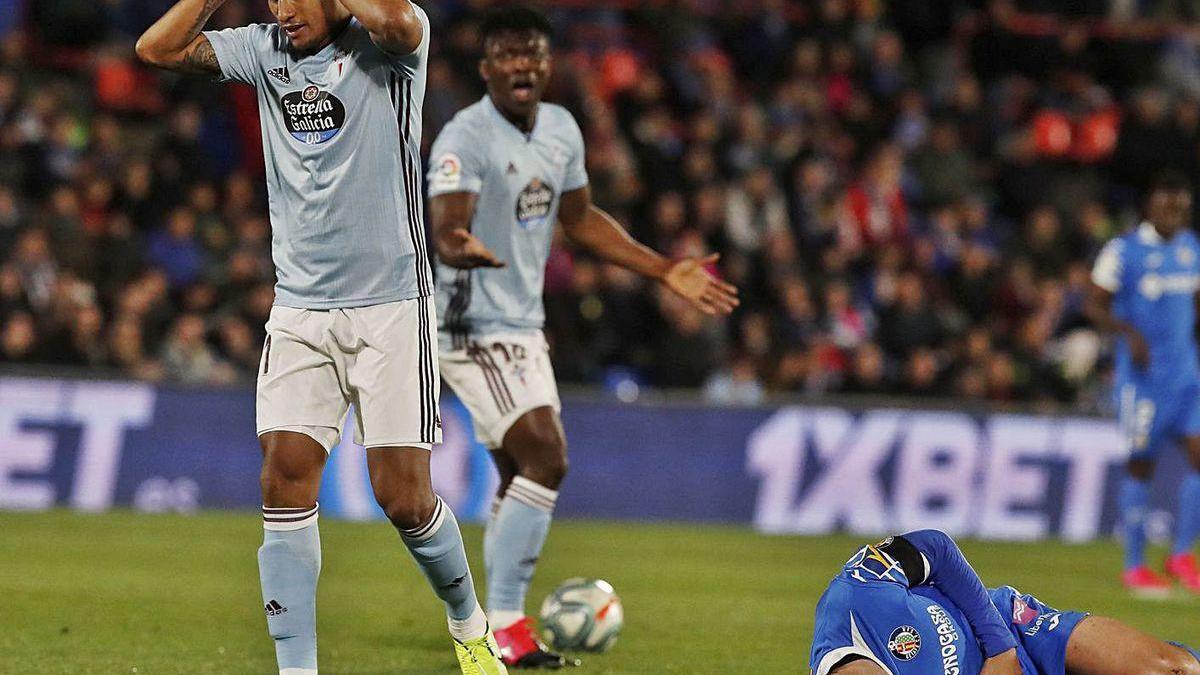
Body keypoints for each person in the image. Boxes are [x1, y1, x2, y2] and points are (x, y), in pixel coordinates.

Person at [135, 1, 507, 673]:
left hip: (391, 305)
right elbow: (155, 50)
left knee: (405, 499)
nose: (281, 9)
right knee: (283, 476)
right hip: (301, 308)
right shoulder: (263, 48)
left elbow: (399, 21)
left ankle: (469, 624)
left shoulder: (390, 45)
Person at [426, 6, 738, 668]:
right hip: (465, 320)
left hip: (522, 324)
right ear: (487, 69)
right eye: (506, 54)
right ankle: (505, 630)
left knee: (518, 472)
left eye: (532, 53)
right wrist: (458, 244)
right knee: (547, 455)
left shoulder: (562, 130)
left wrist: (662, 269)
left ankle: (498, 628)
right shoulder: (465, 136)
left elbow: (580, 217)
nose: (521, 65)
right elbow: (445, 220)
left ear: (547, 64)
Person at [810, 529, 1200, 674]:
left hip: (1016, 630)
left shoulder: (854, 594)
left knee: (1173, 669)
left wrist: (1001, 650)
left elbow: (937, 548)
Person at [1086, 171, 1200, 596]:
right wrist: (1128, 333)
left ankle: (1181, 555)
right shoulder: (1123, 251)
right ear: (1151, 207)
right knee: (1141, 466)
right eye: (1167, 206)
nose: (1174, 214)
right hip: (1144, 381)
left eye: (1181, 208)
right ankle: (1134, 565)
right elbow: (1093, 305)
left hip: (1186, 375)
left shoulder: (1191, 248)